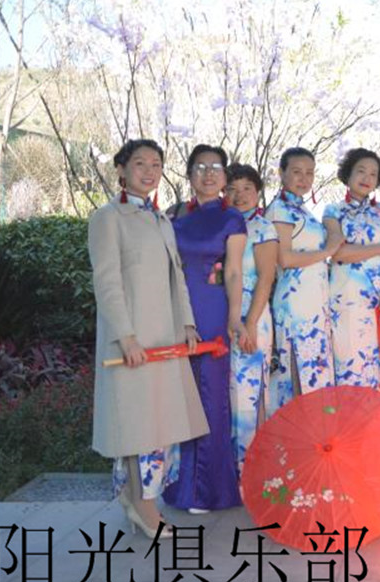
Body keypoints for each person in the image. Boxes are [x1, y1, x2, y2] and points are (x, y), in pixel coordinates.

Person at [89, 139, 207, 537]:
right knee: (138, 427)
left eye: (156, 164)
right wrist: (125, 336)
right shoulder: (108, 218)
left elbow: (177, 277)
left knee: (162, 424)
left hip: (166, 340)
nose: (149, 171)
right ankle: (144, 506)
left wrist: (187, 324)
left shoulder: (161, 219)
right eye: (140, 163)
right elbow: (107, 283)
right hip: (134, 343)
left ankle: (139, 499)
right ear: (121, 169)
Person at [162, 143, 246, 513]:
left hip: (212, 311)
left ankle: (209, 491)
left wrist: (234, 317)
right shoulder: (173, 216)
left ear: (225, 176)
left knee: (210, 396)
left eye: (215, 167)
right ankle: (180, 484)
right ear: (189, 174)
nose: (208, 173)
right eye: (200, 167)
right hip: (173, 309)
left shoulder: (232, 219)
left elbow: (234, 271)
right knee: (180, 395)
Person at [266, 147, 341, 400]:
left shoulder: (301, 209)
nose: (304, 178)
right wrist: (327, 251)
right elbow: (284, 258)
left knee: (316, 376)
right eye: (297, 172)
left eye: (310, 173)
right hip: (295, 303)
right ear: (281, 173)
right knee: (299, 375)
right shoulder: (280, 209)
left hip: (314, 302)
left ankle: (314, 424)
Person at [323, 148, 380, 388]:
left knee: (376, 367)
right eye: (361, 171)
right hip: (344, 299)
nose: (367, 178)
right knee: (347, 364)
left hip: (377, 300)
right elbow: (338, 253)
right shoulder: (333, 211)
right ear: (348, 174)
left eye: (373, 174)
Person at [227, 163, 279, 473]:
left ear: (258, 192)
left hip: (253, 317)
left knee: (249, 396)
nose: (240, 195)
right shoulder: (221, 225)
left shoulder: (263, 227)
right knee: (225, 397)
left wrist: (249, 322)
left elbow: (266, 278)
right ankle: (226, 474)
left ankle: (252, 473)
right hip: (222, 317)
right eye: (232, 189)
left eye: (247, 188)